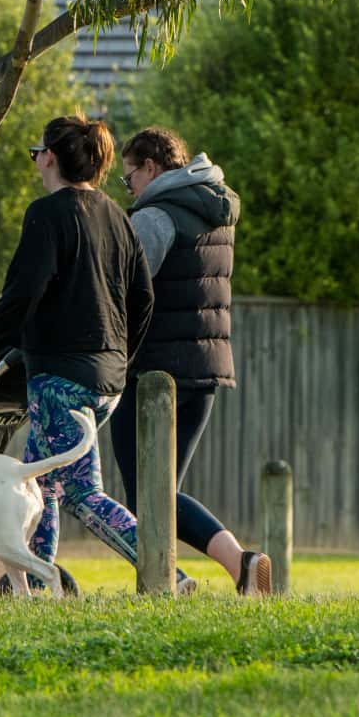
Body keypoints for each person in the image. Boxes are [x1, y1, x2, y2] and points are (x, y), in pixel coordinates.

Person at [0, 114, 165, 581]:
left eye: (37, 154)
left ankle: (165, 570)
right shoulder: (118, 216)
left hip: (61, 377)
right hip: (107, 379)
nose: (36, 163)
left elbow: (24, 289)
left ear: (51, 157)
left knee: (79, 491)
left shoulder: (48, 213)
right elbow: (144, 297)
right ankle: (38, 580)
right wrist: (122, 357)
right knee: (40, 481)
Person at [112, 126, 272, 596]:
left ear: (150, 167)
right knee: (162, 489)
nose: (130, 190)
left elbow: (124, 290)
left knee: (148, 493)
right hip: (206, 370)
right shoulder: (214, 210)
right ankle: (233, 567)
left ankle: (213, 569)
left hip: (154, 372)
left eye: (129, 179)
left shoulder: (157, 215)